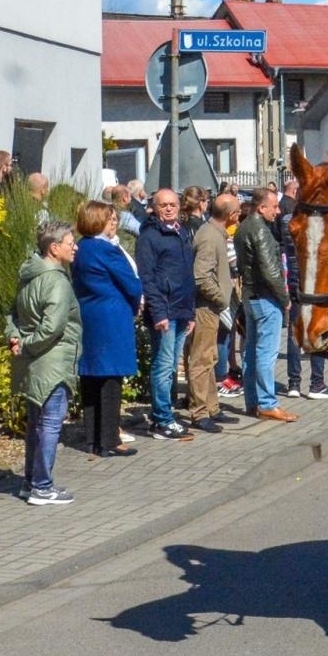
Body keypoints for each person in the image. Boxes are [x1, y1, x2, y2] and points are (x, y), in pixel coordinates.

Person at [7, 223, 82, 504]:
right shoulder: (56, 281)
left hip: (33, 361)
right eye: (70, 242)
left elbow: (12, 314)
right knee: (50, 424)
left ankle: (30, 482)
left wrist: (16, 338)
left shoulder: (28, 275)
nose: (75, 247)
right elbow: (52, 327)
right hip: (53, 361)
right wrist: (24, 342)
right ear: (54, 248)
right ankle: (42, 486)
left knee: (36, 424)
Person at [71, 200, 141, 457]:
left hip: (88, 315)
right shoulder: (106, 249)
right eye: (111, 219)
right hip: (111, 317)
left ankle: (92, 439)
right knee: (111, 379)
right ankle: (110, 440)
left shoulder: (81, 247)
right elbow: (131, 284)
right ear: (99, 220)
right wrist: (136, 301)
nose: (115, 224)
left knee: (90, 377)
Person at [135, 189, 196, 440]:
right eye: (164, 205)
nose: (169, 208)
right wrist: (158, 312)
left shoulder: (182, 232)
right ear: (154, 208)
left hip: (182, 309)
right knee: (163, 366)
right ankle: (161, 420)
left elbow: (187, 276)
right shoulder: (149, 237)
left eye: (173, 204)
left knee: (172, 366)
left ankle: (166, 414)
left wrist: (190, 312)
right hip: (164, 312)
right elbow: (147, 279)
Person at [236, 186, 298, 421]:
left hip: (251, 297)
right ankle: (267, 403)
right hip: (265, 298)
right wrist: (285, 298)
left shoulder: (244, 227)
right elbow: (270, 270)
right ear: (261, 207)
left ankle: (253, 402)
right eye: (274, 207)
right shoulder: (260, 230)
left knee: (251, 351)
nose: (278, 212)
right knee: (266, 353)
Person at [188, 192, 245, 430]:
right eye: (238, 211)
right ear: (231, 215)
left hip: (212, 307)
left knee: (210, 358)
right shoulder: (210, 237)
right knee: (201, 360)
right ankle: (199, 412)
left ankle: (212, 408)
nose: (240, 214)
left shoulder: (215, 233)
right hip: (205, 307)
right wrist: (220, 297)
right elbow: (201, 275)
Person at [276, 179, 328, 401]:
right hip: (313, 284)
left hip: (293, 281)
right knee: (318, 329)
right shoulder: (315, 223)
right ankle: (317, 383)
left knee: (295, 333)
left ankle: (293, 383)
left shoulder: (285, 221)